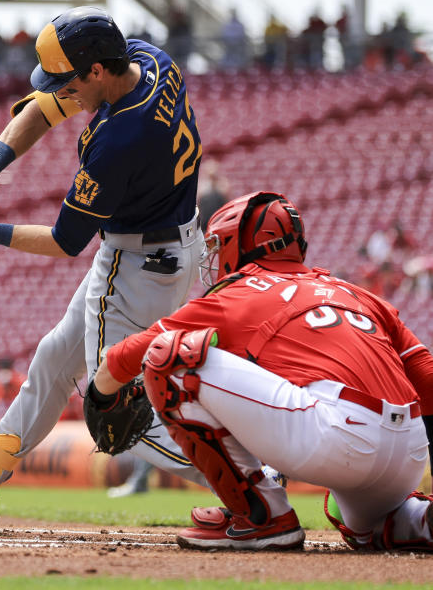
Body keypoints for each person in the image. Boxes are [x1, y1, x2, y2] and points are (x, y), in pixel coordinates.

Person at [0, 6, 208, 533]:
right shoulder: (147, 59)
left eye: (69, 82)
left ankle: (257, 480)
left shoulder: (118, 139)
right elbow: (42, 109)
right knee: (52, 362)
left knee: (119, 417)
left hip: (135, 265)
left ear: (95, 71)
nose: (62, 93)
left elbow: (66, 242)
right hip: (162, 247)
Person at [94, 191, 433, 551]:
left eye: (220, 245)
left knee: (169, 357)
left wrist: (100, 397)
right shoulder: (358, 293)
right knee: (371, 525)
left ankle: (261, 515)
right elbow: (426, 378)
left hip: (337, 440)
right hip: (407, 453)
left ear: (242, 244)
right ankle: (412, 518)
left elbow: (129, 354)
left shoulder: (239, 291)